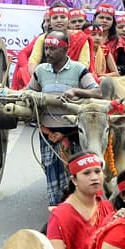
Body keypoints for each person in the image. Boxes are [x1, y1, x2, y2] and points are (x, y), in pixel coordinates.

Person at [26, 31, 103, 206]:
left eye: (53, 49)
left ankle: (78, 209)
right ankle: (56, 210)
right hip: (48, 133)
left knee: (77, 174)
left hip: (74, 134)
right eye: (46, 48)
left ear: (65, 49)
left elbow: (98, 92)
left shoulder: (78, 69)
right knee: (51, 172)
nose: (48, 53)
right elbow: (29, 92)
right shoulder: (40, 71)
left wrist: (76, 91)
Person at [46, 152, 116, 249]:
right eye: (87, 173)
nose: (94, 177)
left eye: (98, 171)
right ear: (74, 180)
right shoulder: (61, 214)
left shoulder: (107, 207)